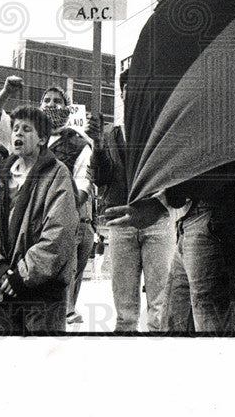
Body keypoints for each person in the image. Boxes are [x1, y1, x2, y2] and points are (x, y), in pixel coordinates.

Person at [109, 151, 235, 334]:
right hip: (196, 220)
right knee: (177, 324)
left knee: (215, 333)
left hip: (218, 219)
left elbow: (228, 159)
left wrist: (162, 202)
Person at [0, 105, 79, 334]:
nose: (18, 133)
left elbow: (59, 233)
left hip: (42, 296)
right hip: (2, 290)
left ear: (42, 139)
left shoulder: (57, 174)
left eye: (27, 129)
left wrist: (22, 274)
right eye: (16, 129)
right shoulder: (1, 176)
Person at [88, 69, 174, 332]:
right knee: (124, 305)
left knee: (160, 304)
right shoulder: (108, 135)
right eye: (129, 89)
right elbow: (101, 178)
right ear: (123, 94)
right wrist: (97, 146)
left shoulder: (160, 132)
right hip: (121, 222)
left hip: (157, 220)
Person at [38, 85, 96, 324]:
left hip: (72, 222)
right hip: (36, 223)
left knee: (67, 283)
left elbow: (84, 185)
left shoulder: (79, 143)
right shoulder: (29, 136)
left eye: (57, 101)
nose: (51, 104)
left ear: (67, 107)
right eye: (47, 100)